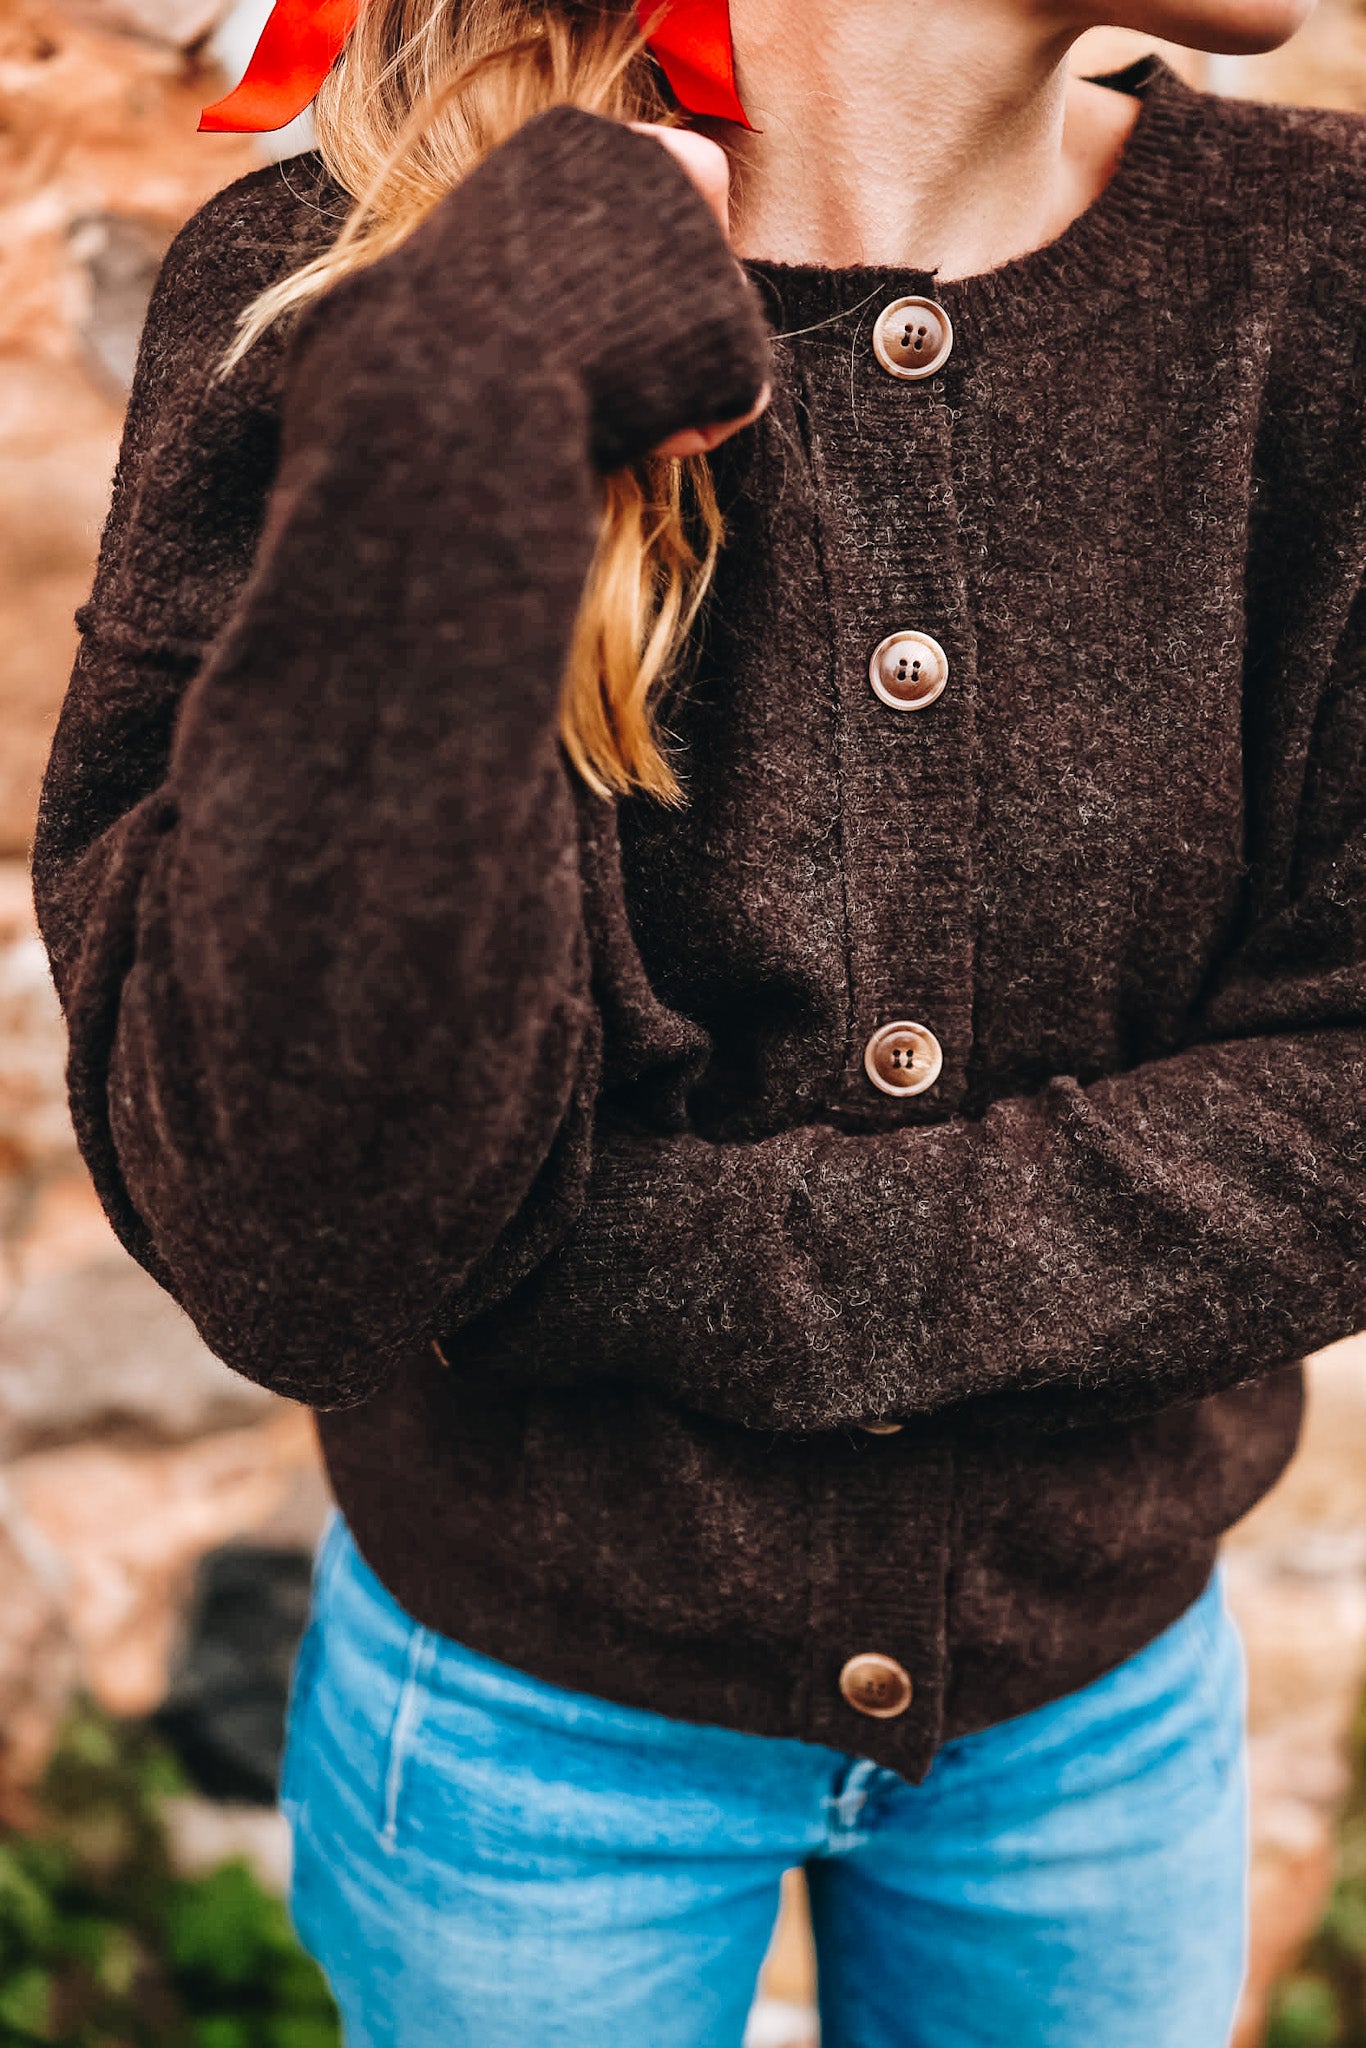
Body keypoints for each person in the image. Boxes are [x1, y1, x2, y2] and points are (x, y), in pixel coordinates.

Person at [30, 0, 1366, 2040]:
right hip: (527, 1736)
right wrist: (466, 410)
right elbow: (293, 1236)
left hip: (1097, 1703)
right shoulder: (346, 283)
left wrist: (605, 1261)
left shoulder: (1314, 275)